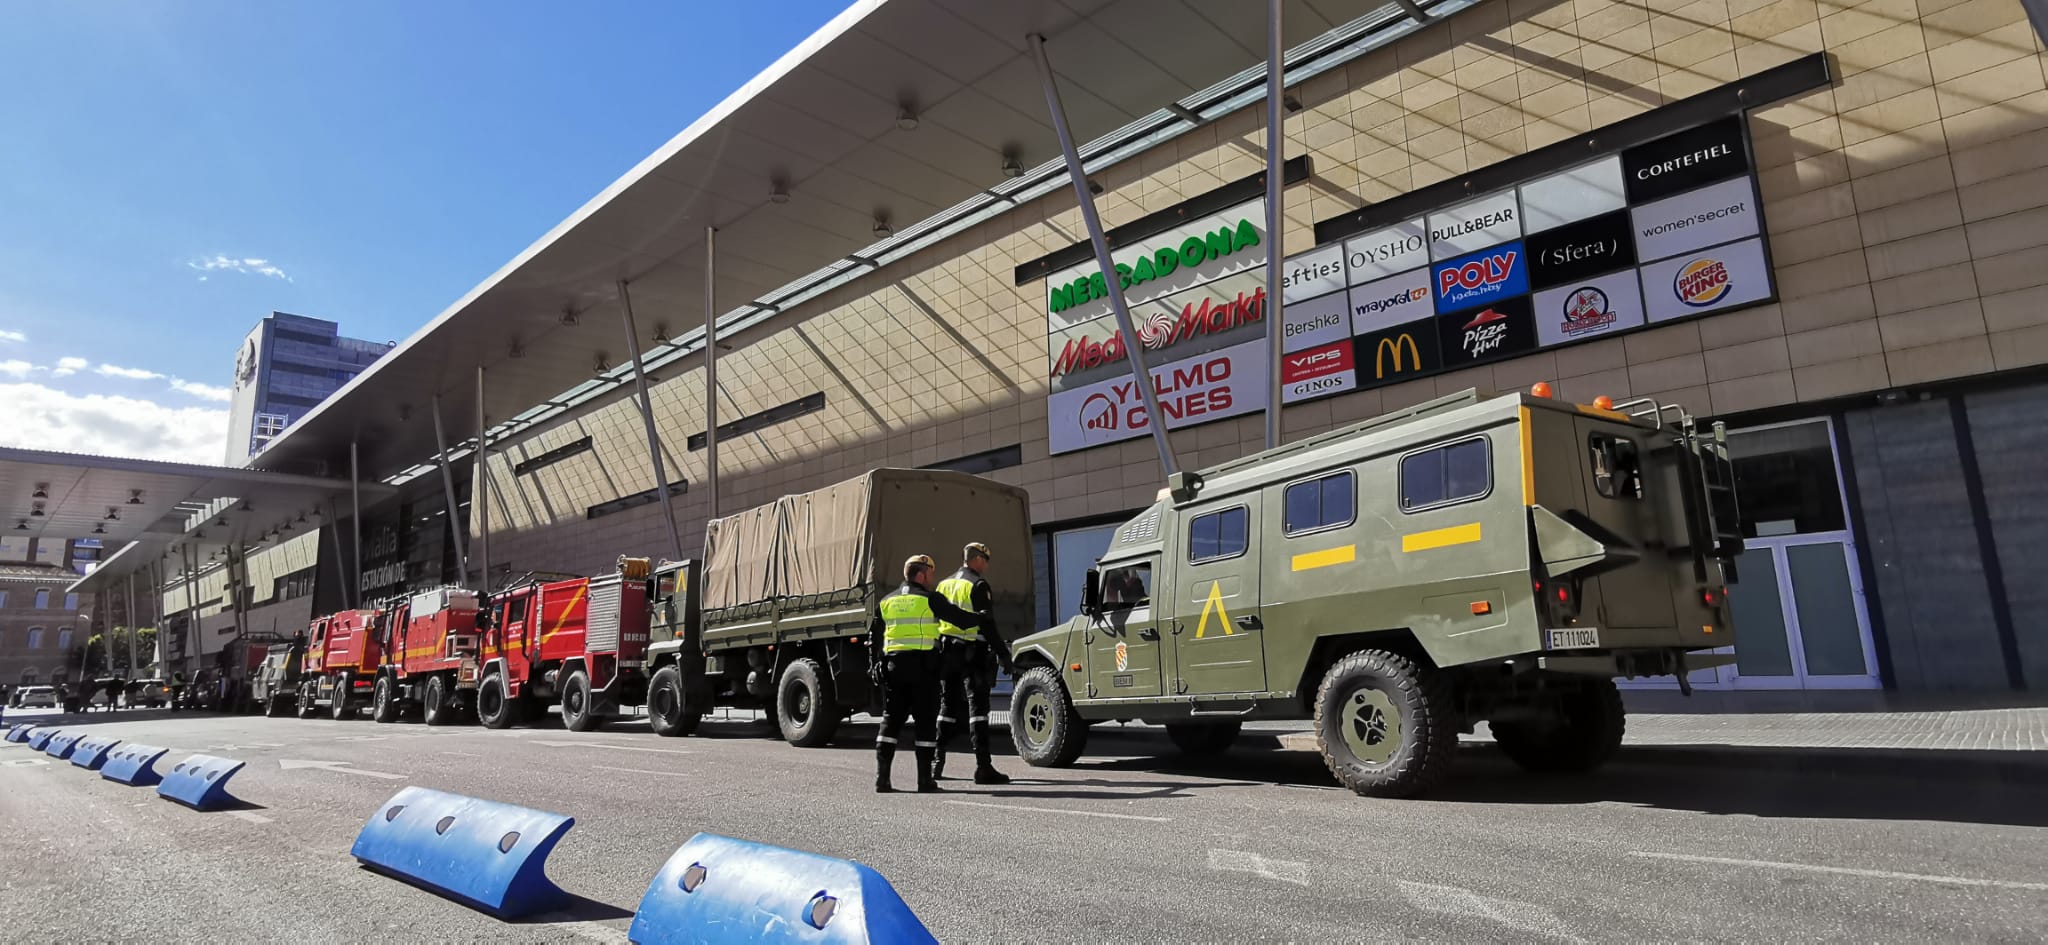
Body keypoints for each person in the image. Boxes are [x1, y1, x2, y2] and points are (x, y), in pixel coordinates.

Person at [868, 554, 984, 794]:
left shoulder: (887, 601)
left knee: (890, 723)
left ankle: (882, 780)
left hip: (893, 670)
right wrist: (981, 617)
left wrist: (875, 665)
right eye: (930, 573)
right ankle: (924, 781)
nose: (932, 578)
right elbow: (959, 619)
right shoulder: (929, 599)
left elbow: (874, 637)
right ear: (921, 574)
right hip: (923, 670)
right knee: (924, 724)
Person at [931, 542, 1015, 785]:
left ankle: (937, 761)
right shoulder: (977, 585)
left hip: (948, 652)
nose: (986, 565)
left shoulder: (944, 584)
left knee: (946, 707)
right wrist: (1003, 654)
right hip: (972, 653)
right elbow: (987, 624)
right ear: (977, 559)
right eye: (985, 560)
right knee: (978, 709)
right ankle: (983, 767)